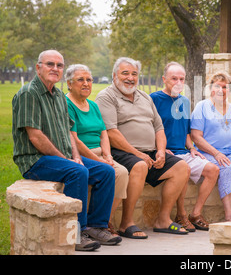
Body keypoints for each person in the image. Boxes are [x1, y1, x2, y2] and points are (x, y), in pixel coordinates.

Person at [12, 50, 120, 252]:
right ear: (38, 67)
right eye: (49, 64)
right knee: (77, 171)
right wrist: (67, 160)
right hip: (35, 160)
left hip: (62, 158)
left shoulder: (59, 95)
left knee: (106, 172)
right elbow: (35, 136)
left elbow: (70, 131)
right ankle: (76, 234)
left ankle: (97, 227)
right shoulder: (29, 93)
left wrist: (76, 157)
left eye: (59, 65)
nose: (55, 69)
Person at [95, 57, 191, 238]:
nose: (130, 78)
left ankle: (163, 219)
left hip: (149, 152)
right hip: (122, 152)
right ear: (115, 75)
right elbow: (111, 132)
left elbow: (159, 128)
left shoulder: (145, 97)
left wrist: (161, 151)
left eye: (134, 74)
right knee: (139, 165)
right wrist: (138, 154)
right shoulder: (107, 96)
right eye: (125, 73)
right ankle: (126, 223)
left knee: (181, 167)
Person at [150, 62, 219, 231]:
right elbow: (148, 128)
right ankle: (181, 214)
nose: (178, 82)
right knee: (184, 169)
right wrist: (159, 147)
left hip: (184, 151)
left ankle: (195, 214)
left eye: (182, 79)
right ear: (164, 79)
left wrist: (192, 148)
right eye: (174, 78)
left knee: (213, 170)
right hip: (165, 152)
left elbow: (186, 131)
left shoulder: (185, 101)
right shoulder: (153, 99)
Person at [65, 64, 129, 235]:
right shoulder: (66, 104)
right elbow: (74, 139)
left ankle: (103, 222)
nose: (86, 83)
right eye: (80, 80)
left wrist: (107, 155)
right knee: (108, 171)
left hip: (100, 153)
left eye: (89, 80)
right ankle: (93, 225)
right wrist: (99, 160)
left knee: (122, 172)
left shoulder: (93, 105)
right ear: (69, 84)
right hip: (82, 153)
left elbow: (103, 134)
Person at [190, 72, 231, 221]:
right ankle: (228, 214)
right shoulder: (202, 107)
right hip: (208, 152)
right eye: (217, 86)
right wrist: (216, 154)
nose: (221, 90)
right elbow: (196, 136)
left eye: (225, 87)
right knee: (226, 168)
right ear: (210, 88)